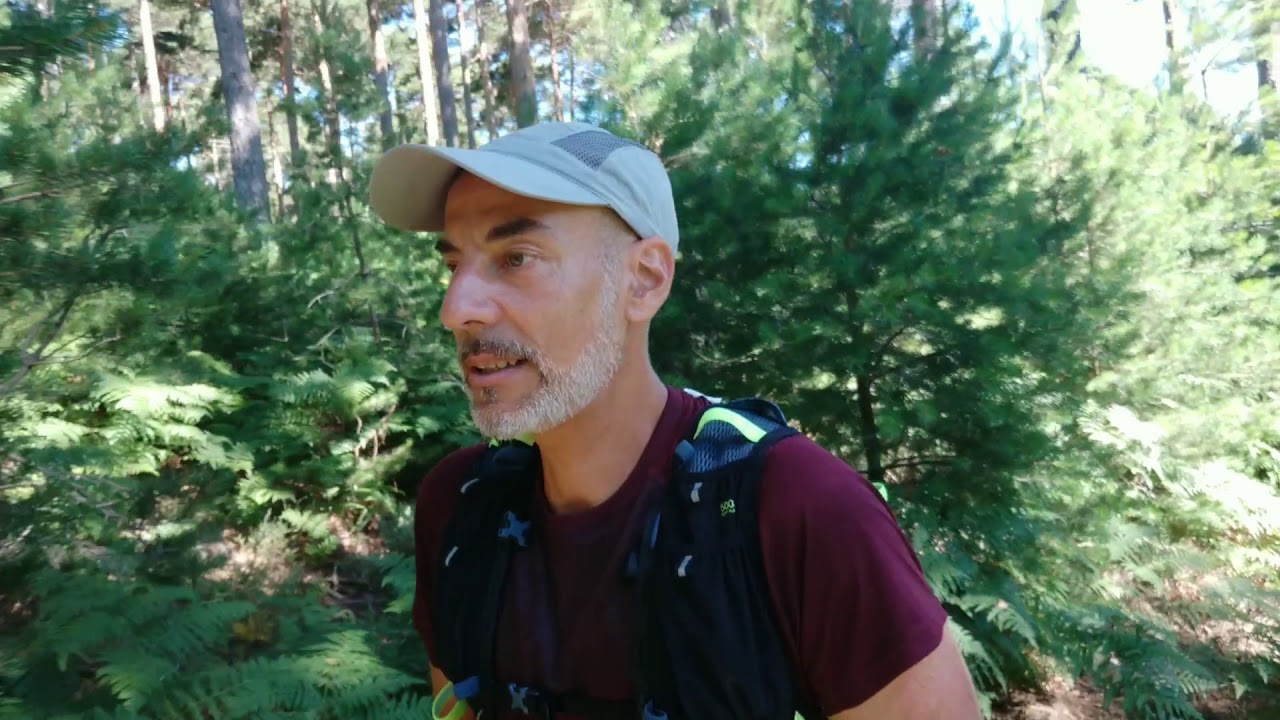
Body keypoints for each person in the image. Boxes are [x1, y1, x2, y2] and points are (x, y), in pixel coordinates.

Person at [367, 121, 981, 720]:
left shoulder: (797, 508)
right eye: (454, 265)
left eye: (516, 257)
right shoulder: (463, 510)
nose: (456, 309)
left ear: (644, 280)